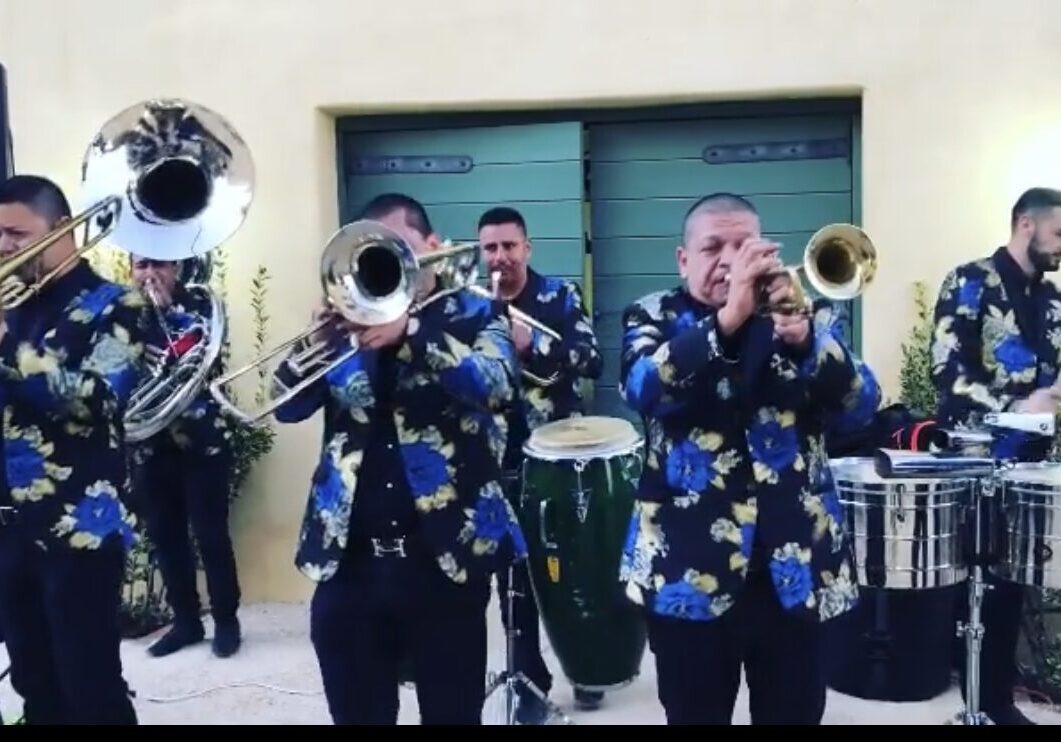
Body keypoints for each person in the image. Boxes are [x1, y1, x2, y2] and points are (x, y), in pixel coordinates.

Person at [272, 193, 527, 725]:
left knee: (452, 713)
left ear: (433, 247)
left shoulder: (479, 312)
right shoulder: (346, 326)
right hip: (351, 565)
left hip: (443, 561)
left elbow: (498, 385)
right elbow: (287, 407)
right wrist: (315, 342)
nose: (386, 264)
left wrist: (413, 333)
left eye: (399, 249)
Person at [617, 192, 869, 725]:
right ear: (683, 260)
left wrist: (806, 343)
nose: (730, 261)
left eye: (743, 245)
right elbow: (642, 387)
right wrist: (727, 321)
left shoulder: (809, 311)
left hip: (796, 569)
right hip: (690, 570)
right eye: (712, 247)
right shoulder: (654, 314)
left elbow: (861, 405)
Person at [0, 174, 145, 724]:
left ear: (62, 230)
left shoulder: (115, 304)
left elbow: (99, 398)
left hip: (77, 531)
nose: (4, 247)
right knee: (34, 684)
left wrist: (7, 347)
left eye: (17, 233)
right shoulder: (10, 305)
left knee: (90, 687)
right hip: (8, 528)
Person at [929, 186, 1061, 725]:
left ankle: (998, 701)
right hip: (978, 458)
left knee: (1015, 583)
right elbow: (946, 370)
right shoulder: (968, 281)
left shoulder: (1052, 302)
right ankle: (984, 706)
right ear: (1025, 226)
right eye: (1058, 233)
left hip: (1032, 461)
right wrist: (1015, 405)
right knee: (980, 589)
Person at [477, 206, 604, 721]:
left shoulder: (560, 296)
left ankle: (587, 668)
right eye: (491, 248)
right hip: (492, 459)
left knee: (570, 574)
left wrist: (537, 347)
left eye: (510, 247)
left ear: (527, 248)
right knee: (512, 584)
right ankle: (530, 682)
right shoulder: (472, 304)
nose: (501, 258)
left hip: (554, 458)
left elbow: (592, 359)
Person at [127, 255, 242, 659]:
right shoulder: (124, 315)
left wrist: (168, 313)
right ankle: (187, 622)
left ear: (176, 267)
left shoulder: (201, 305)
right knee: (165, 538)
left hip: (202, 442)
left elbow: (198, 353)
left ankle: (226, 621)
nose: (149, 275)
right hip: (149, 446)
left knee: (211, 535)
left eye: (158, 264)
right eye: (141, 266)